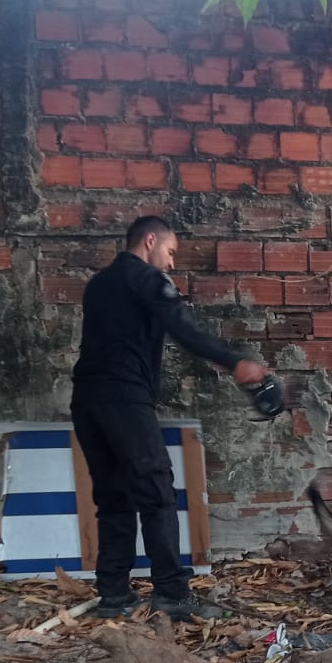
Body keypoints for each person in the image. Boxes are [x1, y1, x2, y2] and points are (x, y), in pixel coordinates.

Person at [71, 216, 270, 619]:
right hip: (125, 398)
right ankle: (172, 594)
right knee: (157, 491)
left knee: (113, 497)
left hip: (87, 402)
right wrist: (236, 363)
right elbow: (182, 326)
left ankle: (113, 595)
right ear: (149, 241)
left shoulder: (99, 284)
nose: (171, 263)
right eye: (171, 252)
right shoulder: (145, 280)